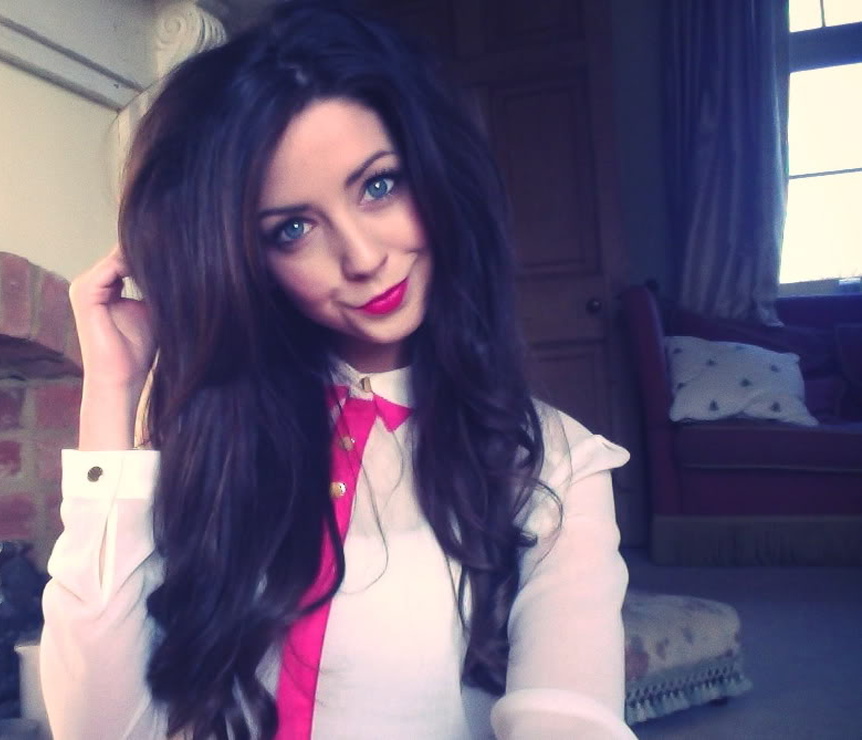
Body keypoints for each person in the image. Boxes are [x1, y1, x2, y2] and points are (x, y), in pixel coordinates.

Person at [40, 2, 634, 738]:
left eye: (379, 186)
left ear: (434, 174)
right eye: (293, 228)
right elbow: (98, 730)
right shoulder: (210, 441)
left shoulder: (557, 464)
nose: (362, 257)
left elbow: (570, 717)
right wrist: (111, 390)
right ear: (245, 259)